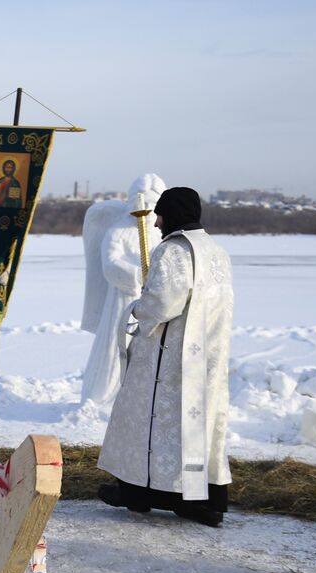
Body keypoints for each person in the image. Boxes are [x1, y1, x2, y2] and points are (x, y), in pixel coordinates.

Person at [97, 187, 234, 527]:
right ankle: (200, 500)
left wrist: (136, 308)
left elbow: (162, 304)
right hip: (206, 360)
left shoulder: (173, 250)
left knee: (147, 420)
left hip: (167, 360)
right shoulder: (217, 251)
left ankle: (138, 493)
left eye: (160, 214)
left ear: (173, 214)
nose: (156, 222)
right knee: (197, 428)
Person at [79, 173, 167, 404]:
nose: (147, 209)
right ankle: (103, 396)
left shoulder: (159, 233)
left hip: (153, 302)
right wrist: (137, 275)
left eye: (153, 204)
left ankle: (141, 398)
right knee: (117, 345)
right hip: (123, 298)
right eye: (143, 203)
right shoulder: (118, 230)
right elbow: (110, 264)